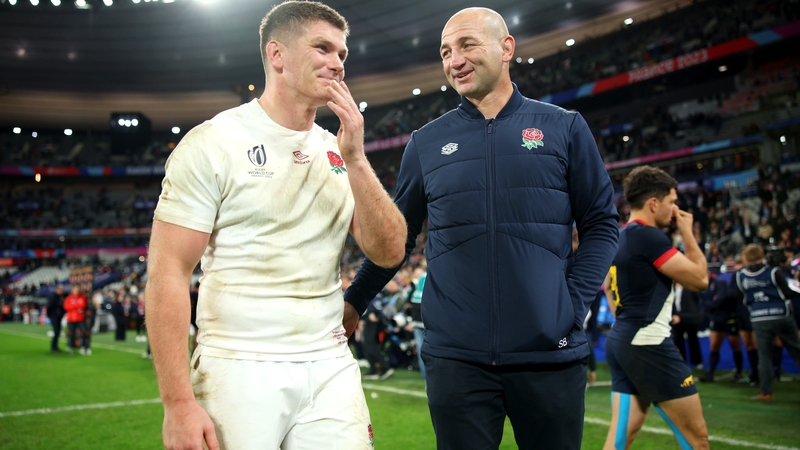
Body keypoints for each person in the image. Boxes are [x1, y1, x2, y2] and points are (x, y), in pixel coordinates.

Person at [345, 7, 619, 449]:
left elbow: (603, 224)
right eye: (445, 51)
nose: (454, 60)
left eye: (467, 44)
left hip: (550, 352)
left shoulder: (563, 127)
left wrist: (570, 305)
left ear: (506, 48)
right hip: (456, 359)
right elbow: (397, 239)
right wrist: (355, 301)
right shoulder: (426, 142)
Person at [145, 1, 406, 449]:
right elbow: (168, 270)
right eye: (323, 48)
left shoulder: (338, 151)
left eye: (343, 54)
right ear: (277, 55)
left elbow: (388, 252)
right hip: (238, 362)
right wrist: (177, 403)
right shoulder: (214, 142)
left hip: (328, 362)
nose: (337, 63)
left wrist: (357, 158)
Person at [603, 166, 710, 450]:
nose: (675, 209)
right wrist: (687, 232)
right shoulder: (648, 237)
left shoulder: (619, 236)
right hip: (648, 342)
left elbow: (608, 289)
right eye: (672, 201)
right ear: (654, 203)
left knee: (621, 438)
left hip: (623, 338)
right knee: (696, 438)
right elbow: (700, 280)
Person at [734, 244, 800, 401]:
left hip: (759, 317)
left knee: (764, 357)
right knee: (797, 352)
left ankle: (765, 392)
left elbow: (741, 299)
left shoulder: (740, 275)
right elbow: (786, 293)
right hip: (781, 315)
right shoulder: (774, 271)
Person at [698, 270, 743, 382]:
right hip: (716, 317)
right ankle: (711, 373)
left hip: (728, 316)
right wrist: (711, 303)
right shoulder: (700, 287)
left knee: (734, 343)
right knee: (714, 345)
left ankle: (739, 371)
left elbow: (720, 299)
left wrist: (710, 304)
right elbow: (702, 303)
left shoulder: (719, 283)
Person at [63, 285, 87, 355]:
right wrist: (76, 307)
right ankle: (72, 348)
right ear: (72, 290)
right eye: (75, 289)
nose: (76, 291)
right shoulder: (69, 298)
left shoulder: (82, 297)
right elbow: (66, 307)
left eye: (77, 289)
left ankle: (82, 347)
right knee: (72, 334)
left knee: (83, 332)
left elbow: (83, 305)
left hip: (79, 319)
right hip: (71, 319)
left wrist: (73, 307)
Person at [46, 284, 66, 353]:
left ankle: (55, 347)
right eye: (61, 290)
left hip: (58, 316)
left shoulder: (60, 297)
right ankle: (53, 347)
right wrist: (50, 315)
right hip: (54, 316)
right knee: (56, 331)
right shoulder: (53, 297)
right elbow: (49, 306)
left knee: (58, 332)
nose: (62, 291)